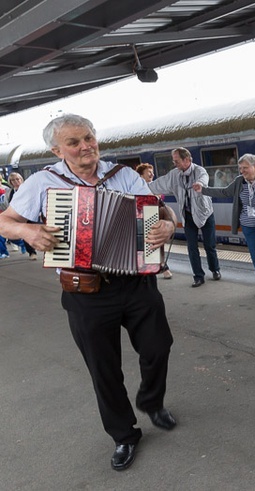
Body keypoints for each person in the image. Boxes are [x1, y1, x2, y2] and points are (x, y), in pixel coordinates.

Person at [0, 114, 178, 470]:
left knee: (159, 346)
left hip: (138, 281)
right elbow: (5, 222)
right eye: (73, 142)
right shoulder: (43, 183)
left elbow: (160, 211)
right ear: (56, 149)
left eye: (89, 138)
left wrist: (169, 225)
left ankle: (151, 401)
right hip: (85, 291)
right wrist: (30, 232)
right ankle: (124, 435)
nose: (85, 147)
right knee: (104, 368)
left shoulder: (123, 175)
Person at [194, 153, 255, 297]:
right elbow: (224, 191)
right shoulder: (240, 181)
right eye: (240, 168)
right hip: (249, 225)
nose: (241, 171)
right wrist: (202, 190)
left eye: (245, 168)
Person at [148, 147, 221, 287]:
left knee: (209, 245)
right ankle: (198, 276)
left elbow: (203, 179)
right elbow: (158, 184)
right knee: (192, 247)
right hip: (188, 215)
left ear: (186, 160)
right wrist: (141, 187)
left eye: (176, 161)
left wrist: (200, 184)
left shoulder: (199, 171)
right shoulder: (174, 174)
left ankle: (215, 269)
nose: (174, 164)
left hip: (205, 214)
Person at [136, 163, 172, 279]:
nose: (152, 174)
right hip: (142, 219)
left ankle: (162, 266)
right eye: (149, 172)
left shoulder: (154, 185)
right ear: (141, 175)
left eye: (152, 172)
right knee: (148, 244)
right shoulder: (137, 187)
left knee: (156, 243)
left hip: (154, 217)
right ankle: (158, 267)